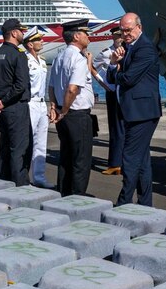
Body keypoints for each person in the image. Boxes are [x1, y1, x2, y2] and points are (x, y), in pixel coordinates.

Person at [107, 12, 161, 206]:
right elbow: (112, 78)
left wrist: (117, 70)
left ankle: (123, 202)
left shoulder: (145, 48)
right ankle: (145, 203)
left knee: (129, 157)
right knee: (142, 160)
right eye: (122, 30)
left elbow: (129, 78)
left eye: (128, 30)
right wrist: (114, 64)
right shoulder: (128, 48)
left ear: (139, 27)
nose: (125, 34)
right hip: (134, 111)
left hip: (143, 112)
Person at [48, 19, 96, 196]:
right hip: (75, 113)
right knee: (81, 160)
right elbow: (72, 88)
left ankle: (63, 193)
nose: (88, 36)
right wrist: (65, 110)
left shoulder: (59, 57)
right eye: (86, 33)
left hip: (63, 112)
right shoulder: (78, 59)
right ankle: (77, 198)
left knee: (66, 158)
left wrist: (54, 106)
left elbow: (52, 87)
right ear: (77, 36)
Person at [0, 18, 32, 185]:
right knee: (19, 148)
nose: (23, 33)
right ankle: (20, 185)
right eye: (21, 31)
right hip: (15, 107)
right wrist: (4, 102)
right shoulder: (18, 55)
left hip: (1, 109)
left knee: (5, 146)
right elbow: (20, 86)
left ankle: (3, 181)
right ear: (13, 33)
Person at [24, 28, 53, 188]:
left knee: (41, 142)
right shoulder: (25, 61)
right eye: (38, 40)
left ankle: (39, 177)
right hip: (30, 103)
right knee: (28, 141)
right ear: (29, 44)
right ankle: (24, 175)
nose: (42, 41)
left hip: (42, 103)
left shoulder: (42, 61)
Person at [94, 26, 125, 175]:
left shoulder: (128, 50)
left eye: (122, 35)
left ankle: (125, 162)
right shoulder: (106, 53)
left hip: (126, 92)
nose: (120, 38)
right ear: (113, 37)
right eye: (117, 36)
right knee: (115, 127)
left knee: (127, 127)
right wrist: (103, 84)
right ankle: (114, 163)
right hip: (113, 92)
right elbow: (93, 67)